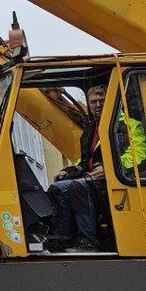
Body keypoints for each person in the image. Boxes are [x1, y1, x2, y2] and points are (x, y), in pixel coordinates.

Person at [46, 86, 108, 251]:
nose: (98, 105)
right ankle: (62, 238)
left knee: (77, 186)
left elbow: (138, 153)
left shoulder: (124, 123)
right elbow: (85, 160)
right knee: (56, 188)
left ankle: (88, 241)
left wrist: (109, 169)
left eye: (101, 100)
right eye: (94, 102)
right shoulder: (90, 129)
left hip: (110, 179)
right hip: (92, 177)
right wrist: (68, 171)